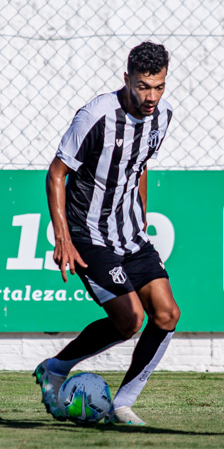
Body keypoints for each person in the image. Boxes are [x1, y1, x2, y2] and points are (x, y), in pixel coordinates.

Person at [34, 41, 180, 426]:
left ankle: (122, 403)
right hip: (88, 235)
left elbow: (140, 165)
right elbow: (56, 174)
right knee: (130, 320)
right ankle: (56, 367)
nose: (152, 96)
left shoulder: (163, 115)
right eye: (144, 86)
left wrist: (142, 220)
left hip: (130, 234)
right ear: (127, 79)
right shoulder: (96, 115)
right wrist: (62, 237)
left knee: (166, 314)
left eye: (159, 86)